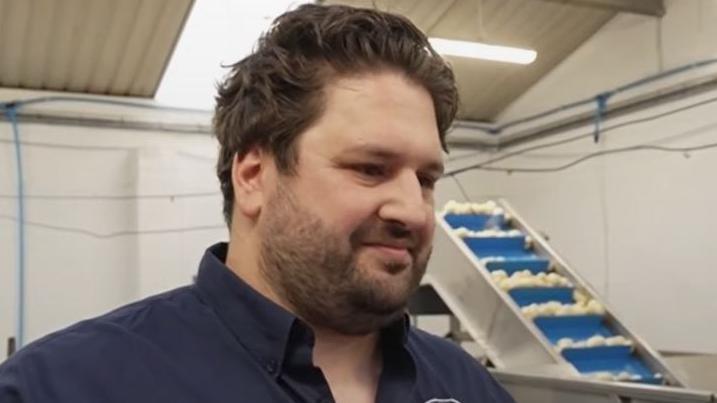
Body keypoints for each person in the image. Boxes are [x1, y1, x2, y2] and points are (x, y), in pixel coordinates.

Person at [0, 4, 515, 403]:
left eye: (425, 178)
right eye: (369, 169)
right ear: (252, 177)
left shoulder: (468, 387)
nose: (413, 210)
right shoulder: (65, 387)